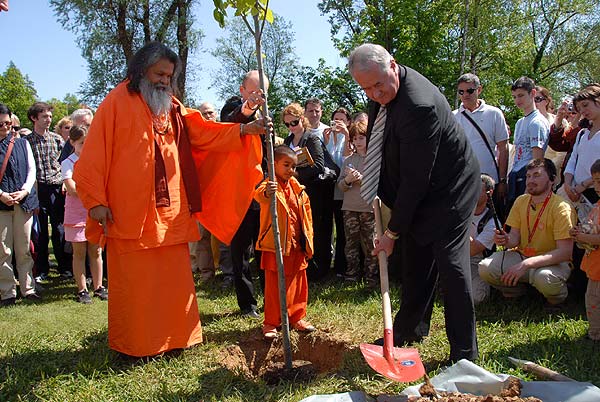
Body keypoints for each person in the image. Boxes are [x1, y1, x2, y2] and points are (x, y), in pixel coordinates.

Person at [73, 42, 267, 357]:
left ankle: (175, 339)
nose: (165, 80)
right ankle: (136, 345)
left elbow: (205, 132)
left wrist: (245, 130)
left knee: (173, 284)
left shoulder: (173, 106)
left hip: (172, 211)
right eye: (159, 73)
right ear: (141, 70)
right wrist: (95, 199)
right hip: (129, 212)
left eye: (169, 75)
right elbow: (93, 154)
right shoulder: (116, 102)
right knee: (138, 285)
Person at [348, 43, 480, 362]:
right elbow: (385, 141)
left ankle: (464, 353)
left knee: (451, 265)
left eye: (378, 85)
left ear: (393, 65)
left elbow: (416, 179)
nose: (374, 94)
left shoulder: (420, 105)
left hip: (449, 190)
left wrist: (391, 233)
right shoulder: (379, 87)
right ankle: (410, 329)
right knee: (416, 259)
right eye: (366, 88)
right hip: (419, 189)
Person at [479, 159, 575, 308]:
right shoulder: (521, 201)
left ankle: (556, 300)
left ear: (552, 180)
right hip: (523, 257)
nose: (530, 180)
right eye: (528, 176)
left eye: (536, 175)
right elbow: (514, 239)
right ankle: (518, 291)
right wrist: (505, 239)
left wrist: (526, 264)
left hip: (552, 262)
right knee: (485, 267)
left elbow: (565, 253)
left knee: (544, 278)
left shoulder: (561, 207)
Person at [219, 70, 270, 318]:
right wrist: (249, 107)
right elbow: (231, 122)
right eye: (254, 93)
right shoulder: (232, 107)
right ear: (242, 91)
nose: (259, 98)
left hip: (262, 192)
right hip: (239, 194)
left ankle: (271, 300)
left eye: (263, 93)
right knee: (241, 253)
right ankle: (248, 304)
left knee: (265, 250)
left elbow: (268, 154)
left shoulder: (268, 115)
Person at [254, 145, 315, 339]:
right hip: (276, 245)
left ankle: (296, 317)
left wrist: (308, 241)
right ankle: (271, 322)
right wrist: (267, 192)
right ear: (273, 165)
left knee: (298, 283)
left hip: (297, 244)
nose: (291, 170)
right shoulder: (269, 186)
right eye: (286, 165)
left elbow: (306, 216)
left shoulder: (298, 189)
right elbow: (259, 195)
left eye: (294, 166)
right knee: (274, 286)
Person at [282, 103, 332, 281]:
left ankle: (321, 270)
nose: (291, 127)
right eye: (287, 124)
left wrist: (295, 173)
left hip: (316, 192)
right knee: (302, 230)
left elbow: (319, 166)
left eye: (294, 122)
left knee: (318, 230)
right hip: (297, 193)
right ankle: (306, 267)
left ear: (301, 119)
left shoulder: (311, 138)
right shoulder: (288, 141)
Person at [25, 102, 72, 281]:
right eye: (44, 116)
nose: (48, 120)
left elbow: (65, 163)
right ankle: (42, 269)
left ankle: (65, 268)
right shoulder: (26, 142)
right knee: (41, 232)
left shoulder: (57, 139)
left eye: (50, 117)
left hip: (56, 188)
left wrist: (65, 183)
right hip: (37, 189)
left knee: (59, 229)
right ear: (34, 118)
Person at [61, 125, 106, 304]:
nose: (86, 147)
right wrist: (92, 191)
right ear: (72, 143)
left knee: (96, 251)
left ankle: (99, 287)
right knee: (79, 252)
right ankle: (82, 289)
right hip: (76, 214)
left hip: (93, 212)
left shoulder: (96, 161)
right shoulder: (68, 163)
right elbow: (71, 188)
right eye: (81, 143)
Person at [453, 73, 509, 218]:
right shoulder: (453, 117)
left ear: (479, 89)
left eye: (470, 90)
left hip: (490, 182)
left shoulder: (494, 114)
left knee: (491, 224)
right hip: (463, 181)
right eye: (461, 91)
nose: (465, 95)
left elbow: (503, 148)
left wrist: (502, 180)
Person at [0, 104, 39, 306]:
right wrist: (2, 195)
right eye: (1, 124)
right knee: (3, 251)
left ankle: (28, 289)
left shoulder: (23, 143)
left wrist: (24, 191)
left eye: (8, 123)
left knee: (23, 249)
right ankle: (7, 292)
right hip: (1, 205)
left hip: (23, 202)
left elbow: (32, 170)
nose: (6, 127)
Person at [338, 120, 378, 287]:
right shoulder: (348, 160)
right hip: (349, 208)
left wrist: (361, 179)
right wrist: (347, 180)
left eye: (362, 137)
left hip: (369, 209)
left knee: (371, 245)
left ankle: (372, 277)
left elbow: (379, 184)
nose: (358, 142)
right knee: (351, 244)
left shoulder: (376, 159)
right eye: (354, 138)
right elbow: (340, 186)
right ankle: (352, 274)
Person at [569, 159, 600, 341]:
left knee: (594, 301)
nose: (597, 186)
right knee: (592, 300)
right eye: (595, 181)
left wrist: (583, 237)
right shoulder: (596, 207)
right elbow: (589, 227)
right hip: (594, 268)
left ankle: (595, 335)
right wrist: (578, 232)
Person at [507, 77, 550, 207]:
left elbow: (538, 159)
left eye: (521, 95)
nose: (517, 100)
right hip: (516, 173)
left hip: (527, 177)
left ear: (532, 93)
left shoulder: (537, 122)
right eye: (514, 97)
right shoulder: (520, 122)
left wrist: (529, 189)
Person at [324, 107, 352, 277]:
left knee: (343, 230)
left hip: (343, 190)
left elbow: (348, 161)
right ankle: (327, 264)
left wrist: (347, 135)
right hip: (328, 190)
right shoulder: (326, 137)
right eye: (335, 120)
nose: (338, 123)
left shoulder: (349, 138)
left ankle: (342, 266)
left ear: (348, 122)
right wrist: (327, 141)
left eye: (342, 120)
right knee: (327, 229)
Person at [469, 174, 497, 304]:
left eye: (476, 189)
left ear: (489, 192)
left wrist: (458, 227)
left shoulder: (492, 223)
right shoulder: (460, 211)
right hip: (454, 259)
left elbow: (472, 250)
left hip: (477, 264)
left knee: (477, 297)